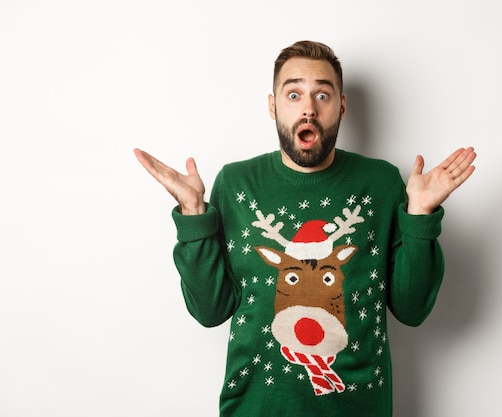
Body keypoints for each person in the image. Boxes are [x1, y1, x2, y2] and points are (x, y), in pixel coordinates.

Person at [134, 40, 476, 417]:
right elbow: (209, 310)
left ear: (342, 106)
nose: (308, 109)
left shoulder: (380, 182)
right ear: (273, 105)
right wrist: (194, 214)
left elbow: (412, 309)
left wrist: (420, 216)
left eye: (323, 95)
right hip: (256, 408)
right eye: (294, 93)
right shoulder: (236, 184)